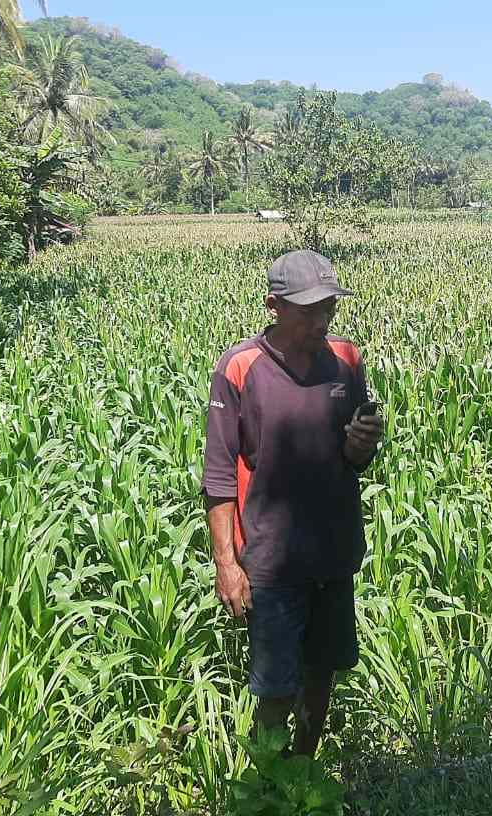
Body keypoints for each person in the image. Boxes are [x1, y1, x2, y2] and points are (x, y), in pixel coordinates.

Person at [201, 249, 385, 757]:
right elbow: (219, 475)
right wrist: (227, 564)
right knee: (275, 687)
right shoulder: (241, 367)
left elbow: (352, 458)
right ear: (273, 306)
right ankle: (266, 785)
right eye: (308, 311)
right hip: (271, 558)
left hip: (333, 550)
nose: (321, 320)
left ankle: (303, 771)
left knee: (321, 674)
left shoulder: (346, 359)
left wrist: (362, 443)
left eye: (328, 307)